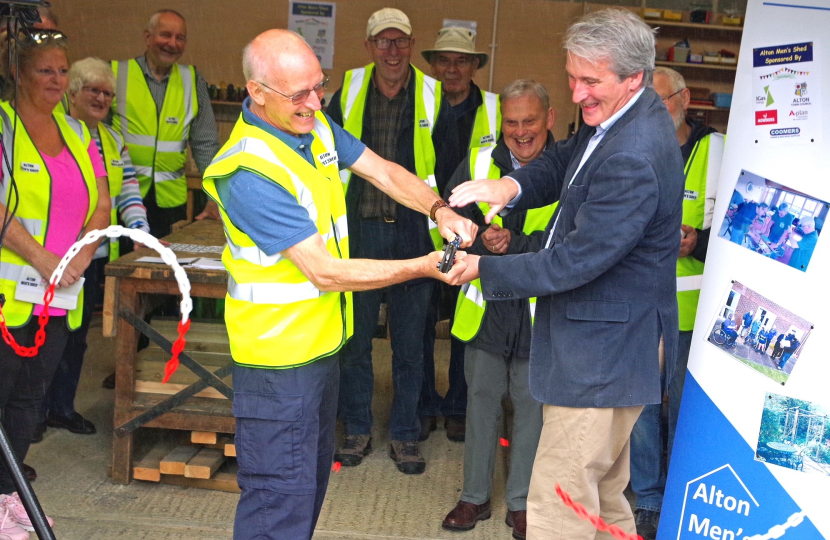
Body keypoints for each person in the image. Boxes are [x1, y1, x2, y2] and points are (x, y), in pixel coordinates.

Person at [201, 30, 474, 540]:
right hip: (277, 369)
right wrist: (423, 266)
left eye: (318, 87)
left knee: (306, 494)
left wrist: (439, 210)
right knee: (277, 505)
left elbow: (386, 172)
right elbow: (323, 271)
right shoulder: (248, 171)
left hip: (321, 351)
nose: (314, 102)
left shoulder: (314, 128)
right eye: (298, 94)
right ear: (256, 92)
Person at [448, 9, 685, 539]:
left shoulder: (634, 155)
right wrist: (510, 187)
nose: (577, 95)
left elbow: (576, 261)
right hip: (607, 351)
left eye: (590, 82)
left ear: (634, 77)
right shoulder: (620, 114)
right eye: (572, 78)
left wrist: (484, 269)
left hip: (600, 358)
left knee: (558, 504)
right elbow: (564, 162)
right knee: (600, 500)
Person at [327, 8, 462, 474]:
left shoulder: (432, 93)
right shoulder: (348, 88)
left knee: (411, 345)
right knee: (355, 341)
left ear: (410, 44)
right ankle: (358, 429)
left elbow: (448, 159)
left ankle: (405, 434)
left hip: (413, 234)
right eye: (382, 42)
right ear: (369, 46)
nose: (392, 51)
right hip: (359, 233)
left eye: (399, 41)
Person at [0, 29, 110, 535]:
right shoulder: (3, 127)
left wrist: (81, 255)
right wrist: (44, 258)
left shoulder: (80, 134)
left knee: (29, 400)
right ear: (19, 72)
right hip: (8, 295)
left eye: (62, 70)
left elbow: (100, 204)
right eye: (45, 69)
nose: (57, 79)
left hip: (59, 295)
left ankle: (7, 495)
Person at [440, 79, 554, 540]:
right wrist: (473, 237)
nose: (521, 132)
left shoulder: (569, 168)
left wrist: (517, 244)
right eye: (512, 122)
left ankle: (522, 504)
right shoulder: (479, 161)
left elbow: (579, 242)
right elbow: (446, 217)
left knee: (531, 411)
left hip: (538, 313)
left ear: (548, 117)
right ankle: (474, 497)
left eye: (530, 121)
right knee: (481, 403)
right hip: (485, 309)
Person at [628, 65, 723, 539]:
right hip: (641, 300)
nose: (652, 110)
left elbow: (738, 230)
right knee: (643, 402)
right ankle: (647, 497)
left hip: (693, 306)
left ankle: (684, 491)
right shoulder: (633, 146)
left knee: (685, 405)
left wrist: (698, 241)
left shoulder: (715, 150)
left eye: (659, 100)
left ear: (684, 100)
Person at [38, 57, 151, 438]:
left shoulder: (112, 139)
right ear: (72, 93)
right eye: (93, 91)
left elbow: (128, 190)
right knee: (42, 337)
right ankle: (31, 415)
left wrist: (140, 230)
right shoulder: (53, 133)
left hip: (93, 255)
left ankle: (61, 408)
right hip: (52, 256)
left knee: (75, 336)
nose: (101, 99)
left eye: (107, 94)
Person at [419, 25, 498, 443]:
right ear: (433, 65)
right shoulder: (421, 105)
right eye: (445, 60)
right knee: (420, 325)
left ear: (473, 66)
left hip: (475, 233)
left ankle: (458, 407)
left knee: (465, 325)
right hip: (425, 228)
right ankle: (426, 402)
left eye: (461, 60)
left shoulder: (495, 109)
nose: (452, 68)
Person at [110, 9, 220, 239]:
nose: (172, 43)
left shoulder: (192, 80)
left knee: (164, 269)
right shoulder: (115, 74)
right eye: (165, 35)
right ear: (147, 37)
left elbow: (205, 143)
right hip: (121, 197)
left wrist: (215, 196)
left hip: (170, 204)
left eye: (180, 38)